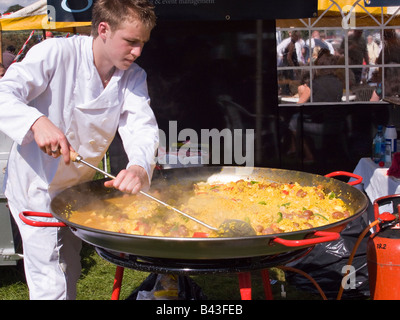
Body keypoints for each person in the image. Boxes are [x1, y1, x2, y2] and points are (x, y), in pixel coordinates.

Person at [0, 0, 158, 300]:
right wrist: (36, 121)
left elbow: (142, 127)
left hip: (77, 190)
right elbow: (4, 92)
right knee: (51, 282)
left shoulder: (133, 76)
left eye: (142, 44)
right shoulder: (56, 53)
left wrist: (139, 165)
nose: (138, 51)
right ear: (103, 29)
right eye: (131, 42)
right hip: (37, 188)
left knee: (68, 265)